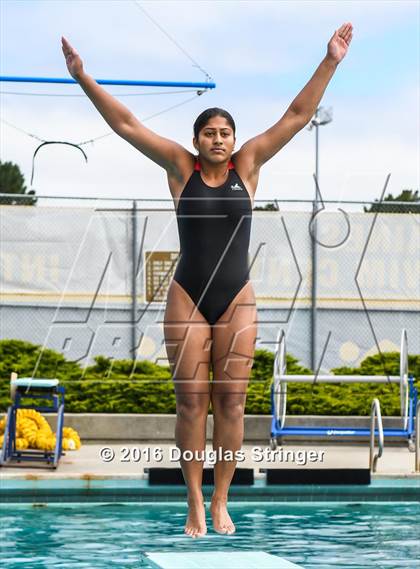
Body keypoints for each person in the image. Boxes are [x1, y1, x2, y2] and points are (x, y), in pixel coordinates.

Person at [61, 22, 353, 538]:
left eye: (225, 133)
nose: (218, 140)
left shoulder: (250, 164)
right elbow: (127, 124)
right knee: (191, 401)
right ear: (197, 139)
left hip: (237, 297)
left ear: (233, 139)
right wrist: (84, 78)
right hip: (188, 297)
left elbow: (297, 115)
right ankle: (194, 500)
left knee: (233, 402)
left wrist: (330, 60)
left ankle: (222, 499)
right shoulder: (180, 168)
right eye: (209, 133)